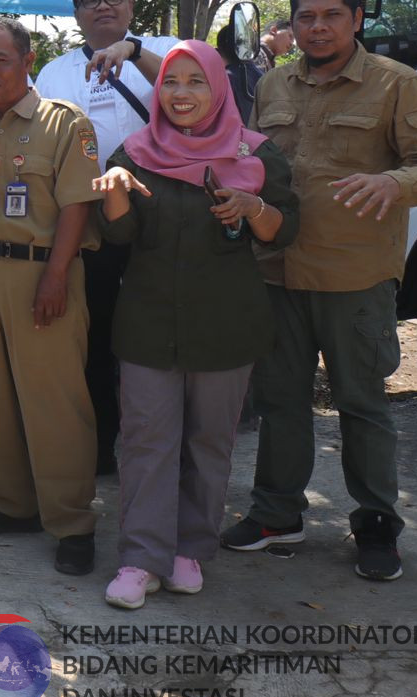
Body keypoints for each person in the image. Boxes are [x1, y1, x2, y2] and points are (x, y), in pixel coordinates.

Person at [221, 0, 417, 582]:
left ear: (357, 18)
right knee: (281, 400)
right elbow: (254, 161)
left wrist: (393, 181)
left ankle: (376, 526)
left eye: (331, 16)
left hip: (355, 277)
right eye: (306, 17)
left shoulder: (396, 85)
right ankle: (276, 514)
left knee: (362, 406)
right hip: (277, 272)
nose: (317, 27)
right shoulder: (275, 83)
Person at [93, 40, 298, 609]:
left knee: (209, 442)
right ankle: (139, 559)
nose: (181, 94)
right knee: (144, 443)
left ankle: (189, 551)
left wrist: (252, 207)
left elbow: (284, 232)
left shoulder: (256, 153)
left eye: (195, 82)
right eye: (171, 84)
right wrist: (111, 197)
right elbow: (119, 238)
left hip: (226, 326)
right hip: (148, 325)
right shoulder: (132, 154)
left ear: (217, 88)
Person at [0, 17, 102, 576]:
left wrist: (57, 277)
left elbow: (78, 205)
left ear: (27, 60)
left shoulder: (64, 124)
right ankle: (13, 504)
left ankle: (72, 521)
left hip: (42, 271)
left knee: (54, 401)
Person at [34, 0, 180, 475]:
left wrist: (135, 53)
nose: (103, 7)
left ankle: (168, 448)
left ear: (131, 5)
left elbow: (201, 96)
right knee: (96, 334)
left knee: (162, 332)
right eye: (91, 0)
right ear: (76, 13)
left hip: (165, 216)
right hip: (92, 221)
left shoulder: (164, 48)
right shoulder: (54, 73)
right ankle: (100, 445)